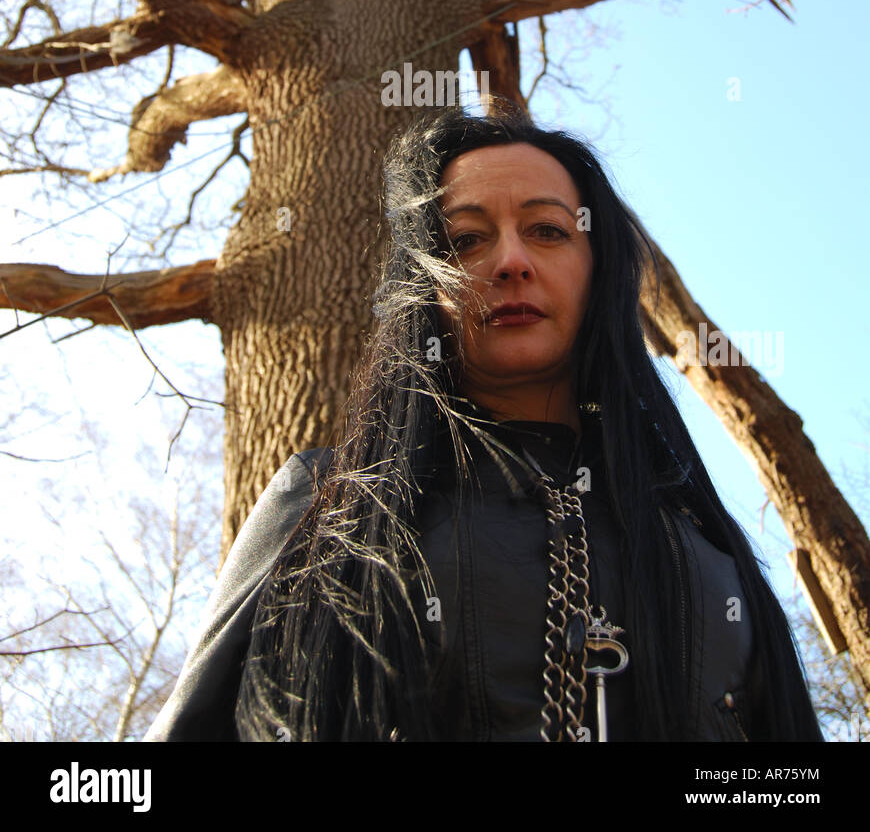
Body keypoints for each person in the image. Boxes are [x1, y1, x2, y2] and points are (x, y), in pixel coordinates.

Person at [143, 103, 823, 742]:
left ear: (599, 269)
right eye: (466, 239)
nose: (510, 261)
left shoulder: (709, 552)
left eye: (548, 230)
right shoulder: (325, 504)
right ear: (425, 291)